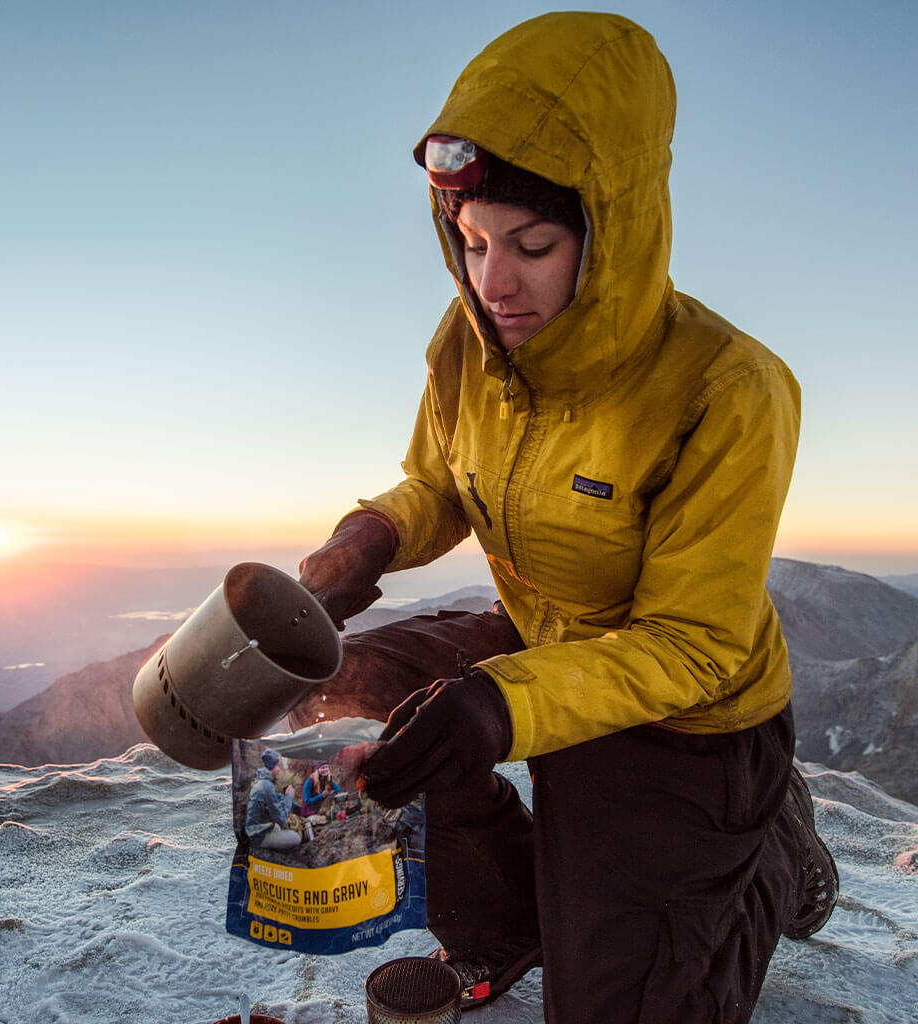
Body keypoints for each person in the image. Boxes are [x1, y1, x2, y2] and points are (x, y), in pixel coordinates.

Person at [293, 13, 837, 1022]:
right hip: (546, 640)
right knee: (345, 693)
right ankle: (509, 920)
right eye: (472, 242)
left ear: (611, 226)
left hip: (686, 712)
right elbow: (439, 483)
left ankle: (761, 857)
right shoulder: (468, 346)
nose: (492, 284)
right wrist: (361, 542)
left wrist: (499, 704)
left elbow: (692, 641)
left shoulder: (728, 387)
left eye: (532, 245)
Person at [244, 748, 301, 850]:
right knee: (296, 837)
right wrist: (289, 797)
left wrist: (280, 797)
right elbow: (282, 819)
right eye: (277, 766)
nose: (279, 769)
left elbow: (270, 807)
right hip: (258, 837)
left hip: (253, 830)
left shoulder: (259, 780)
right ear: (271, 767)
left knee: (277, 828)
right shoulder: (267, 786)